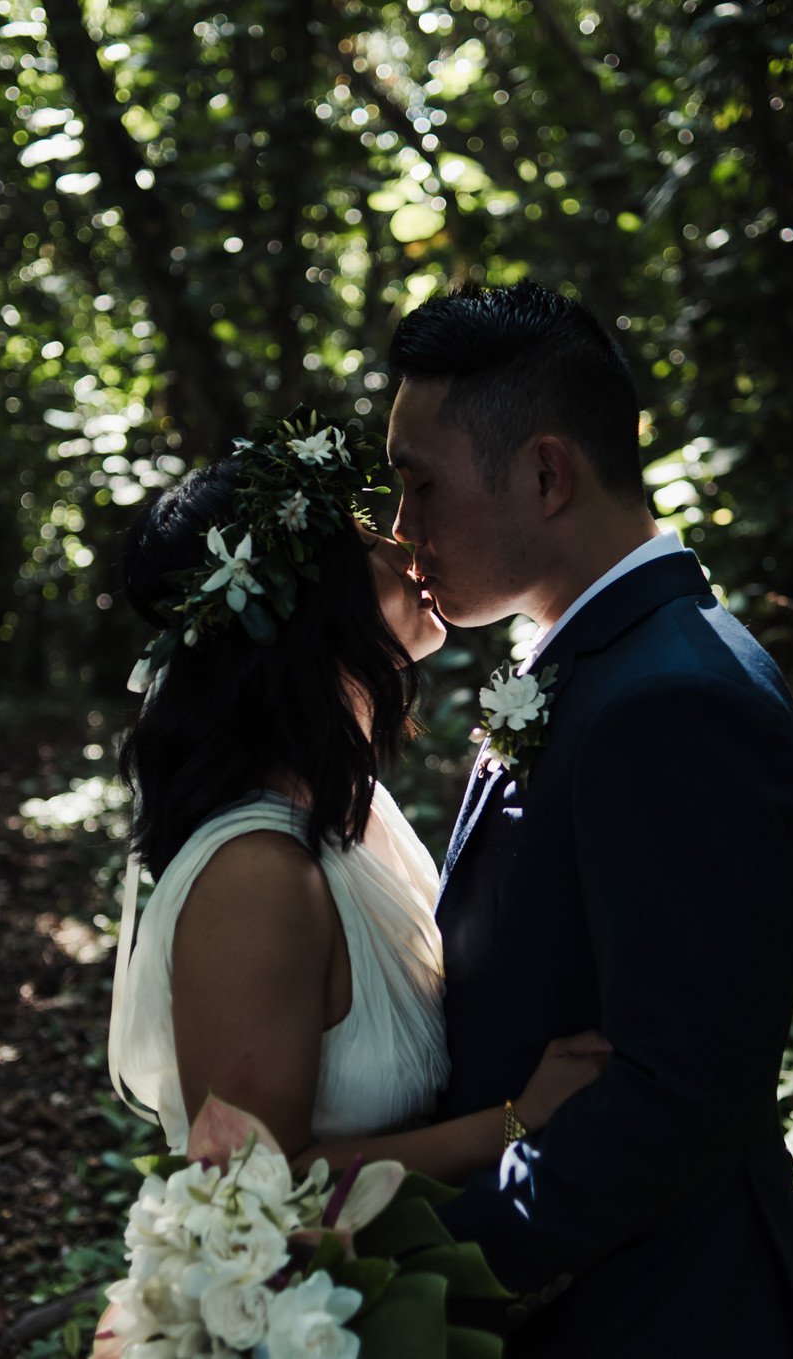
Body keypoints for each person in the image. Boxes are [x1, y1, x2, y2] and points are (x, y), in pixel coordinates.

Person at [385, 281, 793, 1358]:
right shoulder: (601, 661)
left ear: (544, 472)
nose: (402, 529)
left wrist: (410, 1273)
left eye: (418, 486)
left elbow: (674, 1090)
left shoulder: (674, 699)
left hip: (659, 1311)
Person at [105, 409, 611, 1189]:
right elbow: (247, 1191)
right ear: (307, 608)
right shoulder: (255, 878)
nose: (401, 543)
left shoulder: (356, 813)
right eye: (366, 538)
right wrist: (516, 1120)